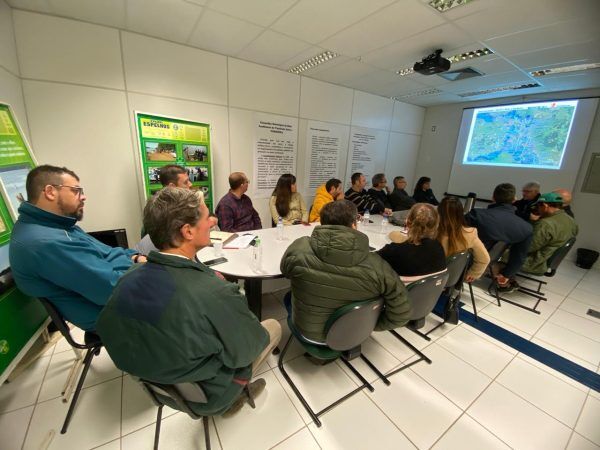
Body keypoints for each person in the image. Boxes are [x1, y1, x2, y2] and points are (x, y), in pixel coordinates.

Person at [96, 188, 281, 417]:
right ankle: (234, 396)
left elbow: (109, 331)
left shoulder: (128, 277)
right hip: (208, 395)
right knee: (272, 327)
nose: (213, 222)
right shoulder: (215, 292)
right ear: (187, 231)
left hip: (160, 391)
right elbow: (249, 348)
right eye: (206, 218)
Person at [9, 165, 145, 331]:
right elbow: (111, 289)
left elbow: (108, 253)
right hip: (112, 314)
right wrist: (139, 265)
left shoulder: (56, 225)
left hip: (115, 298)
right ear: (50, 192)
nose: (84, 197)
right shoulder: (46, 243)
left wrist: (135, 257)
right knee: (178, 295)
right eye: (76, 190)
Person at [281, 200, 411, 343]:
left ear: (322, 223)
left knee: (289, 296)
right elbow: (402, 313)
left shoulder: (299, 248)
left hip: (307, 333)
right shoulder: (378, 265)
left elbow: (285, 271)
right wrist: (370, 325)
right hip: (353, 334)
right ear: (354, 224)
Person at [465, 183, 533, 292]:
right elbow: (519, 256)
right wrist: (506, 274)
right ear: (514, 199)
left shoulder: (477, 215)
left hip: (464, 262)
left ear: (493, 197)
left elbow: (456, 237)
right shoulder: (526, 228)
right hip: (489, 266)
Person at [136, 164, 217, 254]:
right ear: (172, 186)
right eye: (185, 182)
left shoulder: (183, 204)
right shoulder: (163, 212)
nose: (190, 184)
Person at [381, 203, 446, 283]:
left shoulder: (394, 251)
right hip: (428, 294)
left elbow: (365, 262)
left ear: (407, 222)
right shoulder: (439, 248)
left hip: (396, 293)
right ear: (436, 225)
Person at [520, 192, 578, 275]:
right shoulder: (572, 221)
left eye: (538, 206)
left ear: (545, 205)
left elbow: (528, 247)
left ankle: (505, 284)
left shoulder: (545, 224)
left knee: (500, 253)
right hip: (547, 260)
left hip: (534, 262)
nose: (537, 209)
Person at [436, 196, 490, 282]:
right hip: (453, 279)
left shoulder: (431, 232)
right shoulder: (470, 233)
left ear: (439, 212)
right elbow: (484, 259)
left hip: (429, 279)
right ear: (461, 213)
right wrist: (473, 273)